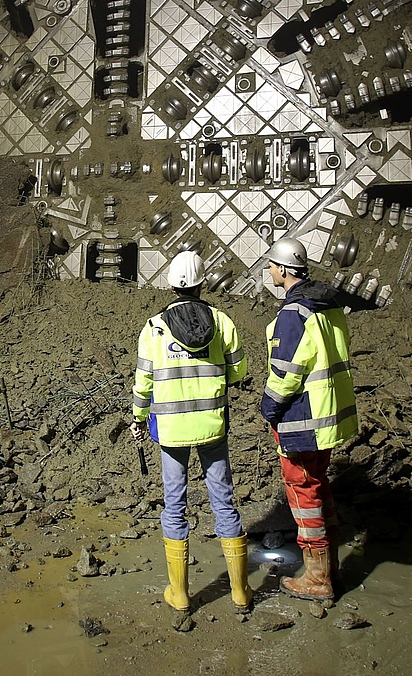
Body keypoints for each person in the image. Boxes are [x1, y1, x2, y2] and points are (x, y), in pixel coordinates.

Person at [130, 250, 253, 613]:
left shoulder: (154, 328)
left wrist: (138, 418)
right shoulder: (221, 321)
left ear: (170, 284)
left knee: (174, 505)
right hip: (213, 427)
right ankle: (241, 592)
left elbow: (143, 381)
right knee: (224, 502)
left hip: (171, 432)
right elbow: (239, 372)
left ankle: (181, 594)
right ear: (202, 282)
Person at [260, 236, 358, 603]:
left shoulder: (293, 314)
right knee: (319, 487)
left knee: (304, 495)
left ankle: (318, 580)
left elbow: (286, 372)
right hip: (329, 417)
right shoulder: (327, 307)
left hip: (303, 419)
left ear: (284, 270)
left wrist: (268, 408)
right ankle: (328, 568)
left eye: (271, 265)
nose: (269, 270)